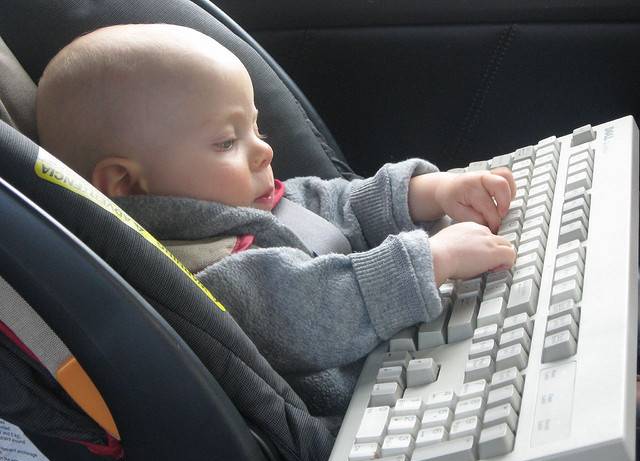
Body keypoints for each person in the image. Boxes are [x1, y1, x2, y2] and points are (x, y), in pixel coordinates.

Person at [36, 23, 516, 424]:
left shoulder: (253, 206)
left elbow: (334, 206)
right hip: (369, 416)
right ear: (128, 184)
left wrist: (430, 193)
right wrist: (435, 258)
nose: (264, 149)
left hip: (398, 360)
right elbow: (311, 310)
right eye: (227, 142)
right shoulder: (198, 274)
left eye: (256, 128)